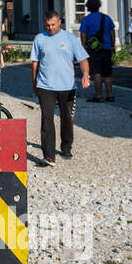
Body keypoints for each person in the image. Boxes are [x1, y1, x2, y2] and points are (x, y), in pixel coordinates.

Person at [30, 9, 89, 166]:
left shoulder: (70, 39)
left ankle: (66, 147)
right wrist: (34, 83)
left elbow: (83, 58)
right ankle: (49, 156)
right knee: (47, 120)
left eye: (53, 24)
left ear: (59, 22)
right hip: (45, 85)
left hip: (67, 86)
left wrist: (86, 75)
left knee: (67, 118)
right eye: (48, 25)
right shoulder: (39, 39)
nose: (50, 28)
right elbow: (35, 63)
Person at [79, 0, 116, 102]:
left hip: (93, 49)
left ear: (88, 7)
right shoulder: (107, 18)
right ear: (99, 6)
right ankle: (110, 95)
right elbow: (112, 32)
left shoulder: (86, 20)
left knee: (96, 72)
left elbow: (83, 34)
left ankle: (99, 96)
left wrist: (84, 47)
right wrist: (112, 45)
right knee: (107, 73)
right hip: (107, 48)